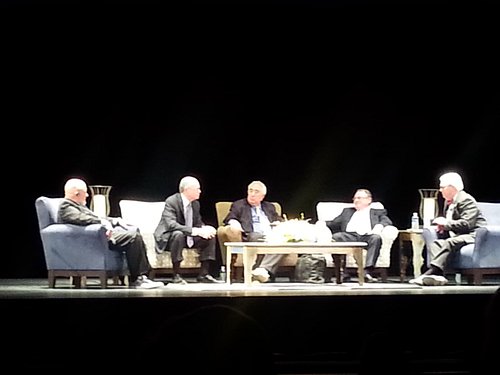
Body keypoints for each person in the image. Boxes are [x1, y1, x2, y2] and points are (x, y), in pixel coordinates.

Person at [58, 178, 164, 289]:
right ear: (77, 193)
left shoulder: (78, 205)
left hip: (100, 237)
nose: (88, 195)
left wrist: (114, 220)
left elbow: (95, 217)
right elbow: (81, 218)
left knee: (134, 231)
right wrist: (102, 223)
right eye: (86, 192)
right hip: (93, 239)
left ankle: (144, 277)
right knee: (133, 237)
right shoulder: (66, 206)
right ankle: (137, 279)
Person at [410, 172, 487, 286]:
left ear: (452, 187)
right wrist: (442, 227)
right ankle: (438, 276)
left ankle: (430, 272)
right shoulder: (449, 202)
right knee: (436, 243)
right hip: (460, 235)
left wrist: (446, 224)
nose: (440, 190)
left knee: (450, 242)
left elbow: (467, 224)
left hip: (475, 234)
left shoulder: (466, 199)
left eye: (442, 187)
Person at [154, 176, 220, 284]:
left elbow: (198, 223)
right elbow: (171, 225)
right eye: (197, 189)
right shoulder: (172, 201)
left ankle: (204, 274)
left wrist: (205, 229)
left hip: (187, 237)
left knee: (209, 236)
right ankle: (176, 275)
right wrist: (195, 231)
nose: (200, 191)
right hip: (169, 238)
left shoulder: (195, 204)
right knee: (178, 234)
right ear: (187, 190)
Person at [217, 180, 283, 283]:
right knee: (259, 237)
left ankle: (262, 270)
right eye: (250, 191)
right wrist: (234, 223)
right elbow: (230, 217)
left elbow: (278, 219)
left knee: (282, 242)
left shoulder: (269, 206)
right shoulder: (239, 205)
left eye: (256, 192)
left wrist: (279, 224)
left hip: (271, 235)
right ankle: (262, 272)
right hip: (251, 235)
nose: (252, 194)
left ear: (262, 196)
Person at [325, 188, 393, 283]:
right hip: (350, 236)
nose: (356, 200)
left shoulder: (377, 212)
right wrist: (320, 223)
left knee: (376, 238)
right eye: (355, 198)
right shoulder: (347, 211)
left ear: (369, 200)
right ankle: (341, 272)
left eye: (359, 198)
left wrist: (379, 226)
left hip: (368, 236)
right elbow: (333, 223)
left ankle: (367, 271)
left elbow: (387, 221)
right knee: (336, 237)